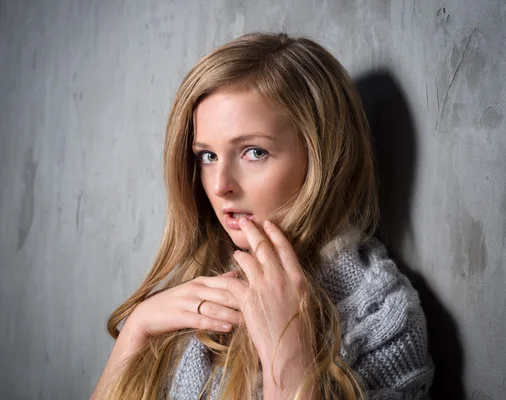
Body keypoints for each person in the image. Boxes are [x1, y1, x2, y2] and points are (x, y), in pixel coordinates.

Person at [92, 32, 434, 400]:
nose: (220, 185)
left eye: (253, 152)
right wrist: (137, 330)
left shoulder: (382, 318)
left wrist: (287, 359)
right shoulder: (193, 286)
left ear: (321, 155)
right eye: (207, 156)